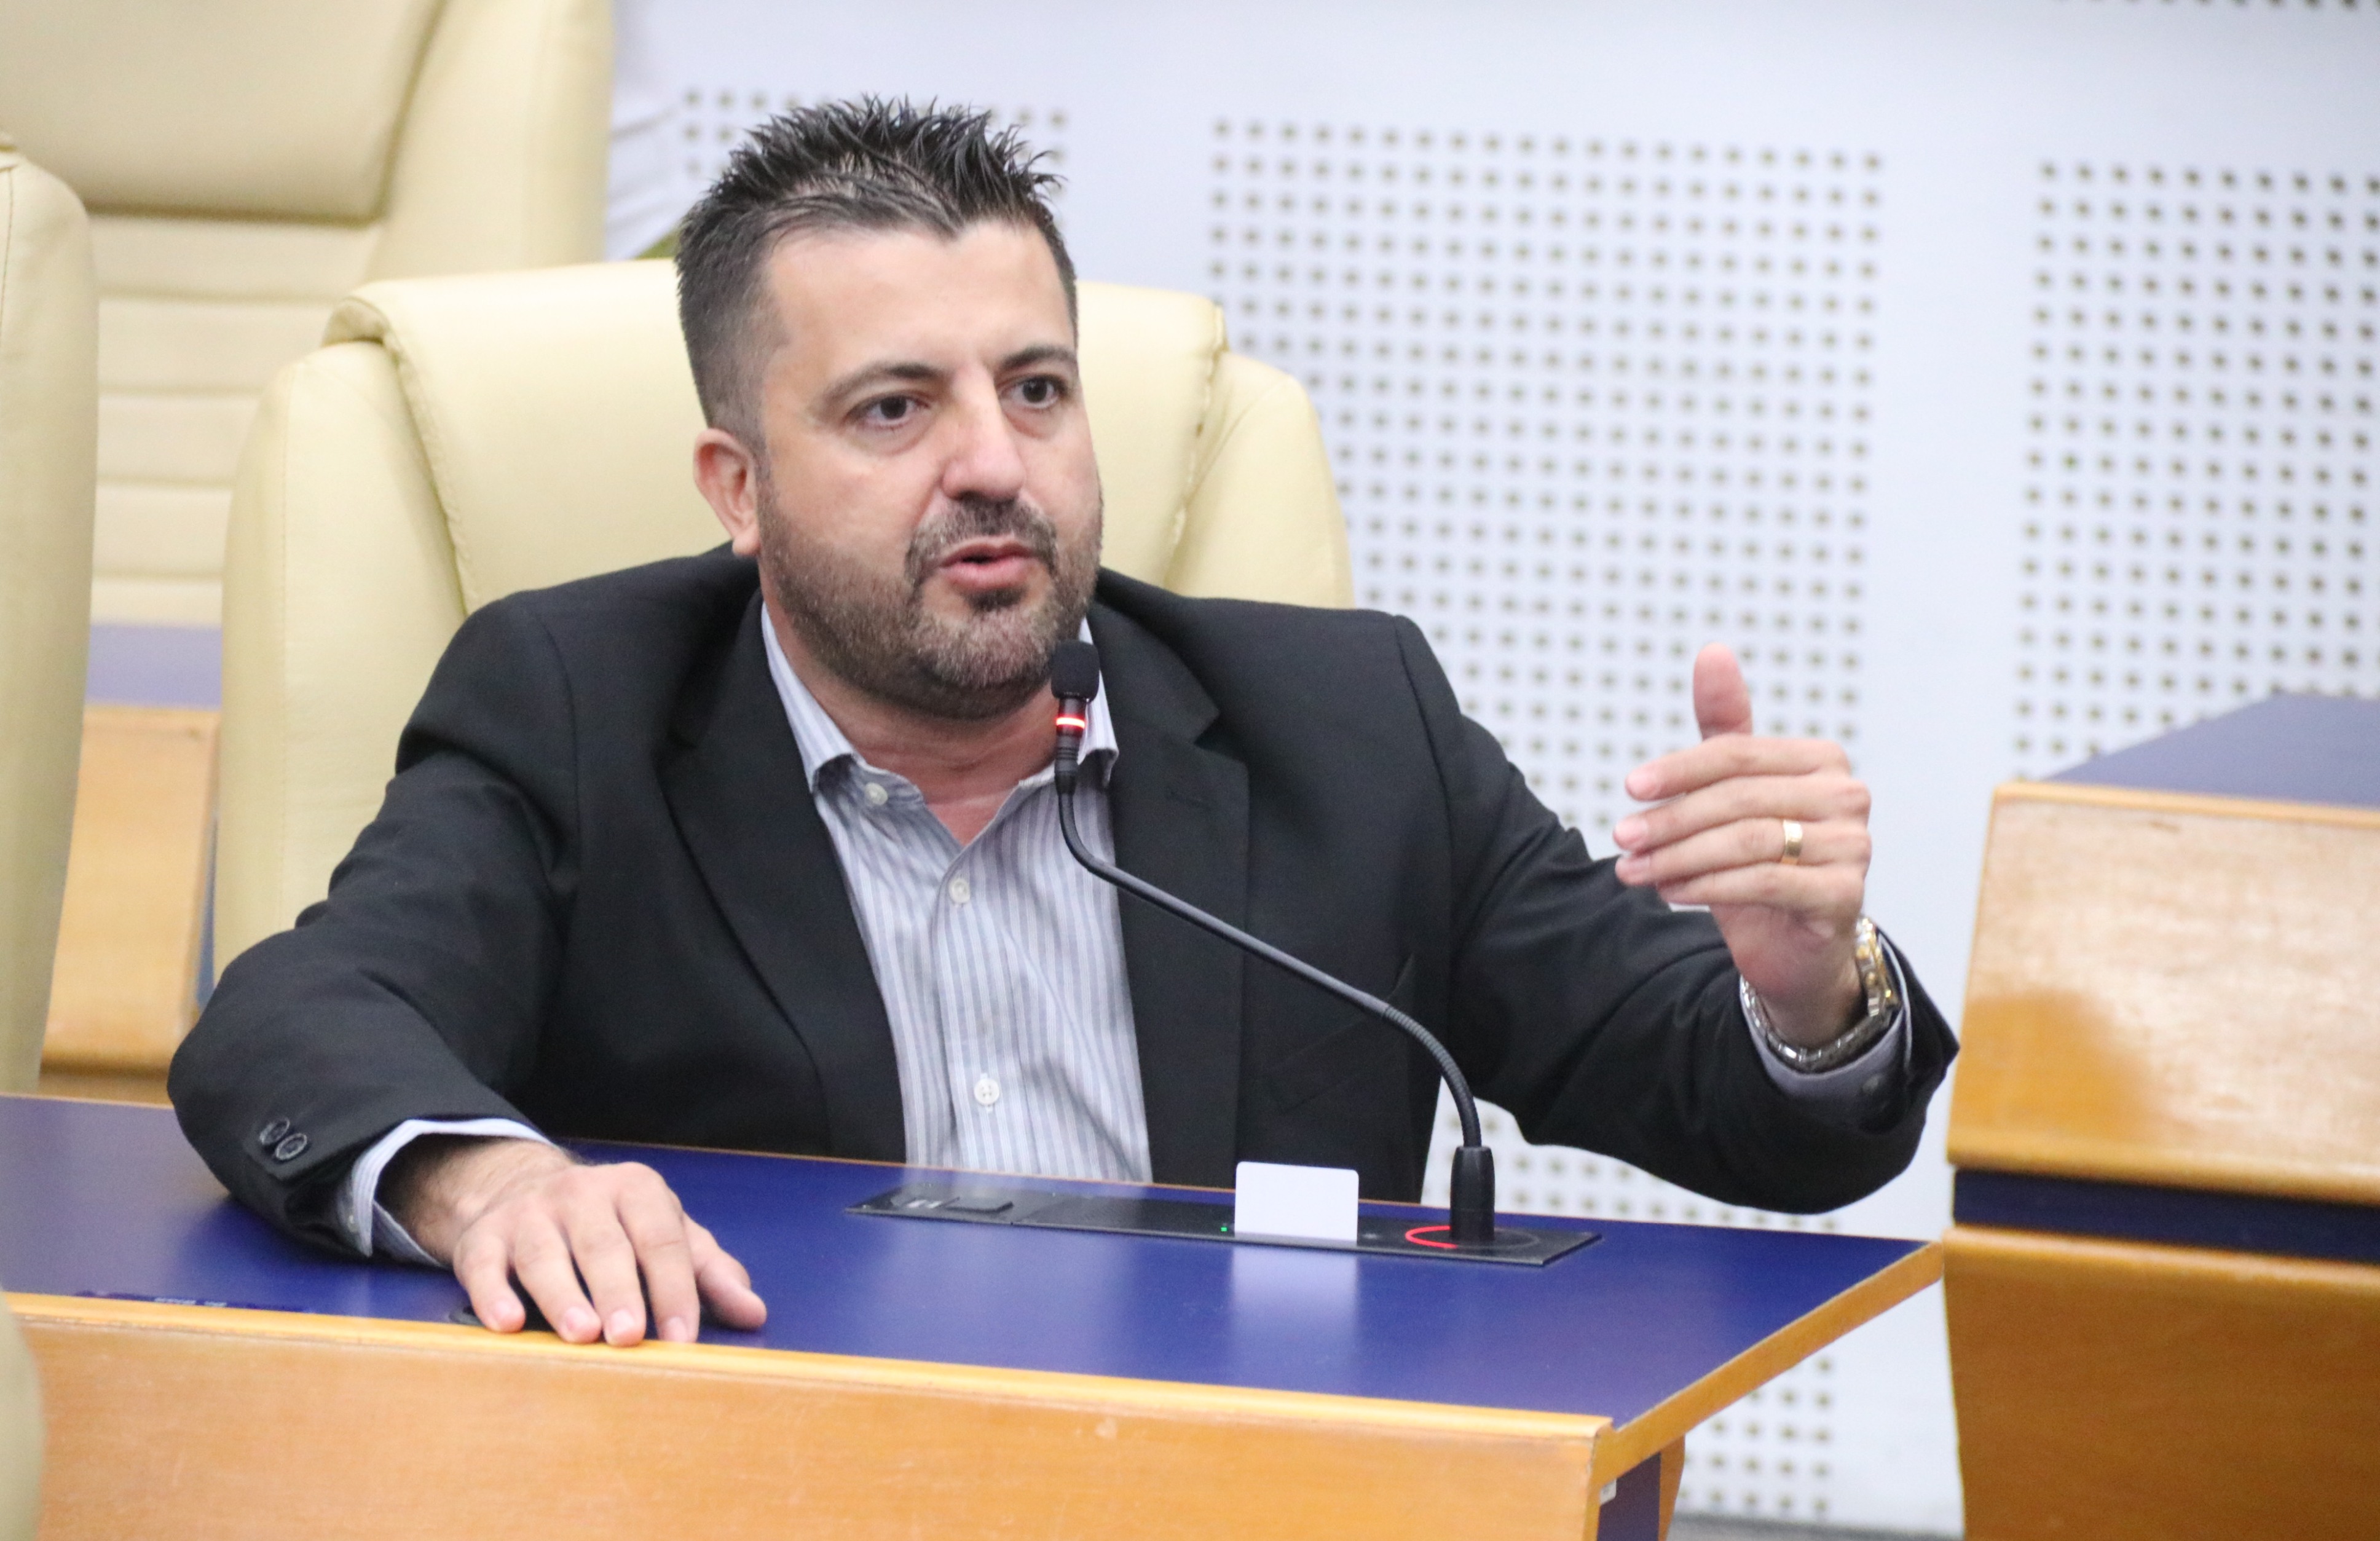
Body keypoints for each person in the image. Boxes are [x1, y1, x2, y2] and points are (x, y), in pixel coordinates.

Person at [170, 100, 1956, 1351]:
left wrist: (1810, 988)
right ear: (739, 487)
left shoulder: (1344, 722)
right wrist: (485, 1182)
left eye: (1036, 389)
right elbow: (293, 1024)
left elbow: (1750, 1116)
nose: (992, 464)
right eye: (893, 409)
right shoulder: (578, 707)